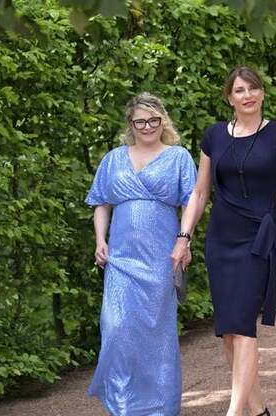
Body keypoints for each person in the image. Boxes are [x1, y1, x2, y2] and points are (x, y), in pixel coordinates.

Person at [172, 66, 276, 416]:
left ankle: (233, 412)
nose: (247, 95)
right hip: (221, 239)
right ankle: (258, 412)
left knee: (243, 324)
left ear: (263, 93)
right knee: (227, 330)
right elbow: (199, 191)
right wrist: (183, 238)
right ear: (229, 98)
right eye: (239, 90)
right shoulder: (214, 137)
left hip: (260, 238)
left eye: (253, 88)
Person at [85, 92, 196, 415]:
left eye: (153, 120)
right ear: (130, 125)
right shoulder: (113, 159)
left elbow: (191, 200)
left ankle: (161, 408)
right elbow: (101, 202)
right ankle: (123, 406)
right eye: (140, 121)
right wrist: (99, 240)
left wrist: (183, 240)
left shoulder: (178, 157)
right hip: (120, 257)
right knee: (117, 328)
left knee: (156, 332)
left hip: (161, 256)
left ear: (163, 122)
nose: (147, 126)